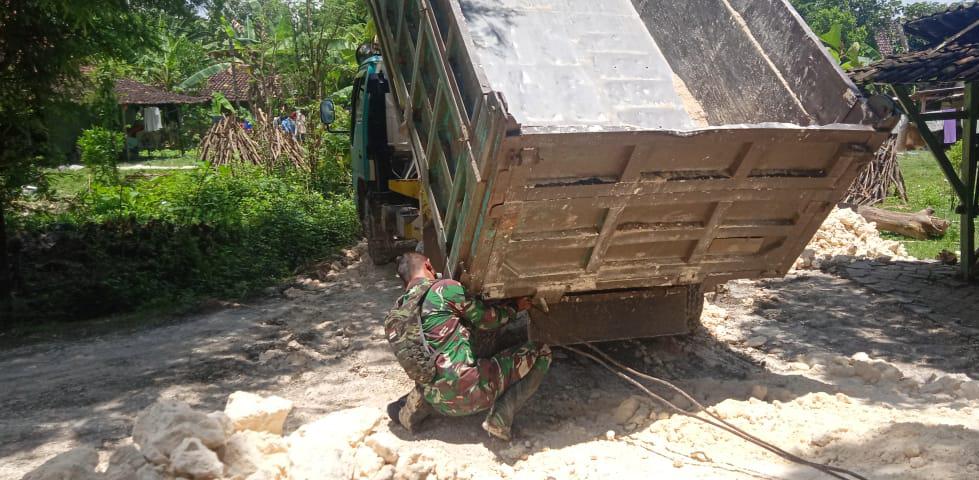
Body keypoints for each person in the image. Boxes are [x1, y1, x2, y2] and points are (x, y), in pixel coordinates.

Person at [385, 252, 552, 441]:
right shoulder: (445, 289)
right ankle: (500, 419)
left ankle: (413, 405)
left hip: (438, 402)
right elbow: (488, 319)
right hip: (471, 395)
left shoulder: (396, 315)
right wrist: (515, 307)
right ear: (429, 266)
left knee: (441, 365)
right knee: (541, 352)